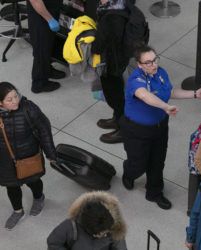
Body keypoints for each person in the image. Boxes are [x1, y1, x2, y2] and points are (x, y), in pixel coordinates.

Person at [120, 45, 201, 210]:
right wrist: (165, 107)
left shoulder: (161, 73)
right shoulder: (136, 80)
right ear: (139, 64)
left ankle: (154, 193)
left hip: (160, 127)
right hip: (137, 130)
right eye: (148, 62)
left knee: (157, 162)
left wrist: (193, 94)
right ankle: (129, 172)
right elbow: (145, 96)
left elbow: (169, 92)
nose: (153, 64)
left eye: (155, 59)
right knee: (138, 164)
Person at [0, 82, 56, 230]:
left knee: (34, 181)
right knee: (12, 188)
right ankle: (17, 211)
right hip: (6, 161)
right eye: (9, 100)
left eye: (15, 96)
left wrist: (50, 153)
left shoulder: (28, 108)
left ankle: (39, 198)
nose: (15, 101)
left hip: (29, 156)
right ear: (0, 103)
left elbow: (44, 130)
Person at [92, 0, 130, 144]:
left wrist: (90, 45)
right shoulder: (120, 7)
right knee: (116, 92)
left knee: (115, 96)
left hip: (111, 62)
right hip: (117, 59)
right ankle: (117, 118)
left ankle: (123, 130)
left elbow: (99, 44)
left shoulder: (111, 16)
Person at [47, 191, 127, 250]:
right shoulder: (70, 227)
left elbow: (120, 246)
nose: (103, 235)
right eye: (98, 234)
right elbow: (53, 243)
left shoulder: (114, 227)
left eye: (105, 233)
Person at [26, 0, 66, 93]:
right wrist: (50, 19)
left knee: (48, 45)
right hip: (41, 15)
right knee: (41, 48)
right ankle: (39, 83)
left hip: (50, 8)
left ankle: (47, 70)